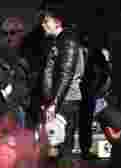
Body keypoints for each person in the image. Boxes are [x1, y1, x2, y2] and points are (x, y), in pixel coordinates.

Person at [39, 10, 85, 156]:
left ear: (57, 22)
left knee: (63, 146)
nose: (43, 25)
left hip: (66, 100)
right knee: (55, 145)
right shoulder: (59, 41)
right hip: (60, 100)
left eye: (46, 21)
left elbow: (66, 74)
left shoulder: (68, 41)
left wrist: (54, 103)